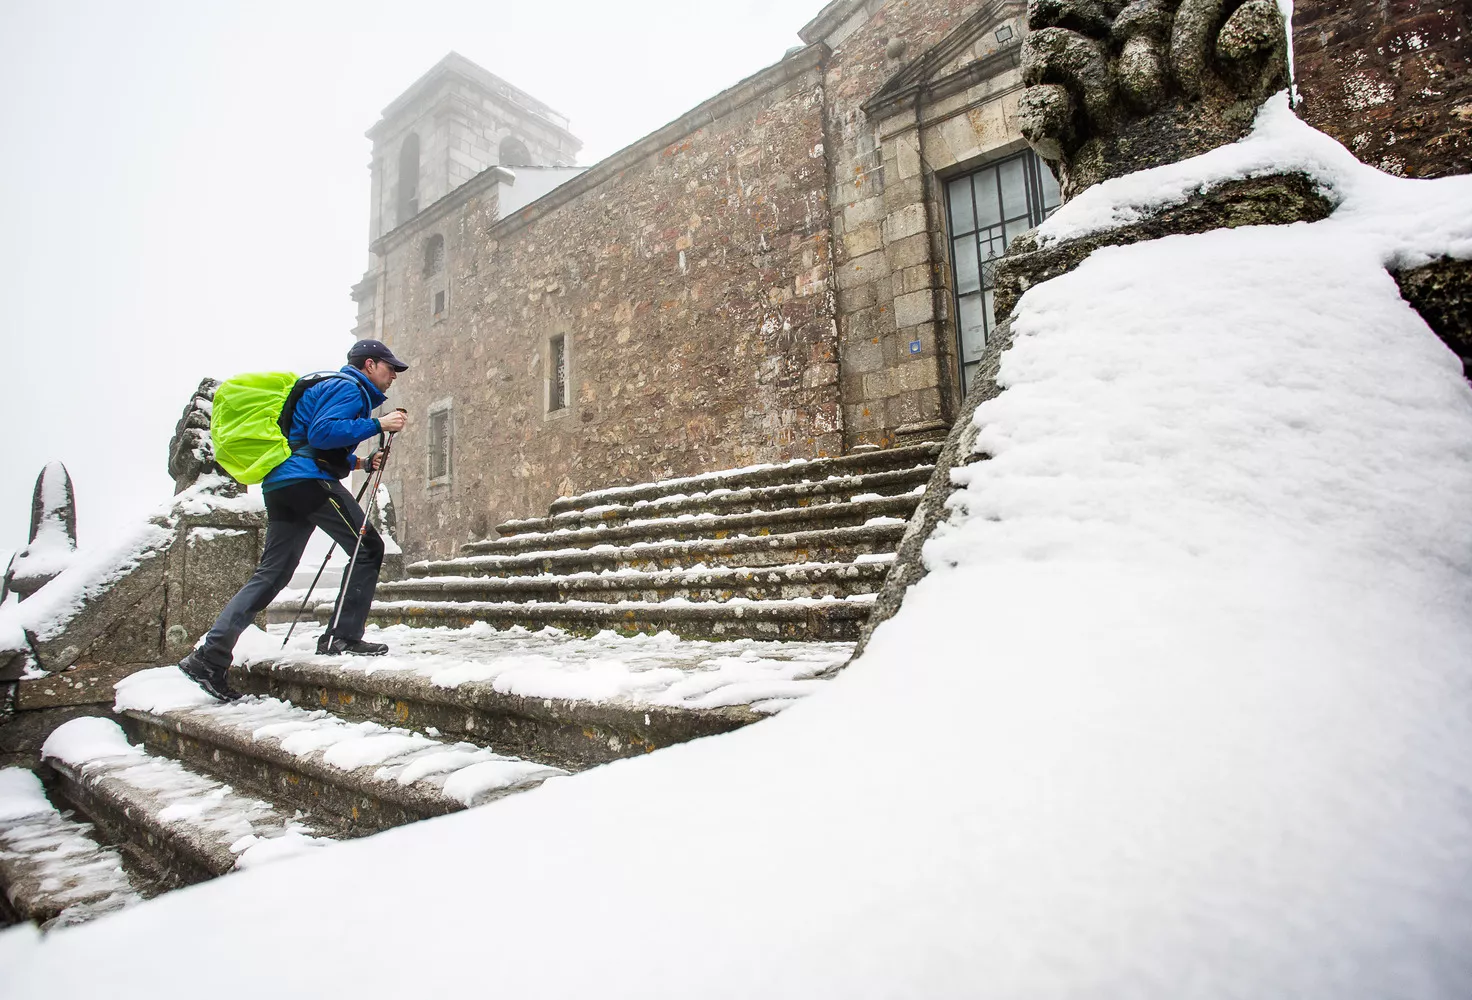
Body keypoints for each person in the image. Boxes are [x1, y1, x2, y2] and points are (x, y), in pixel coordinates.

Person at [179, 339, 410, 702]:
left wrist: (361, 464)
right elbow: (323, 433)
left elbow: (308, 440)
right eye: (389, 367)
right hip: (307, 482)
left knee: (273, 572)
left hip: (282, 482)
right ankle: (342, 636)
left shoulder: (332, 386)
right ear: (369, 364)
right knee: (368, 546)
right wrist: (377, 423)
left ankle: (209, 656)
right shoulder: (349, 387)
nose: (393, 374)